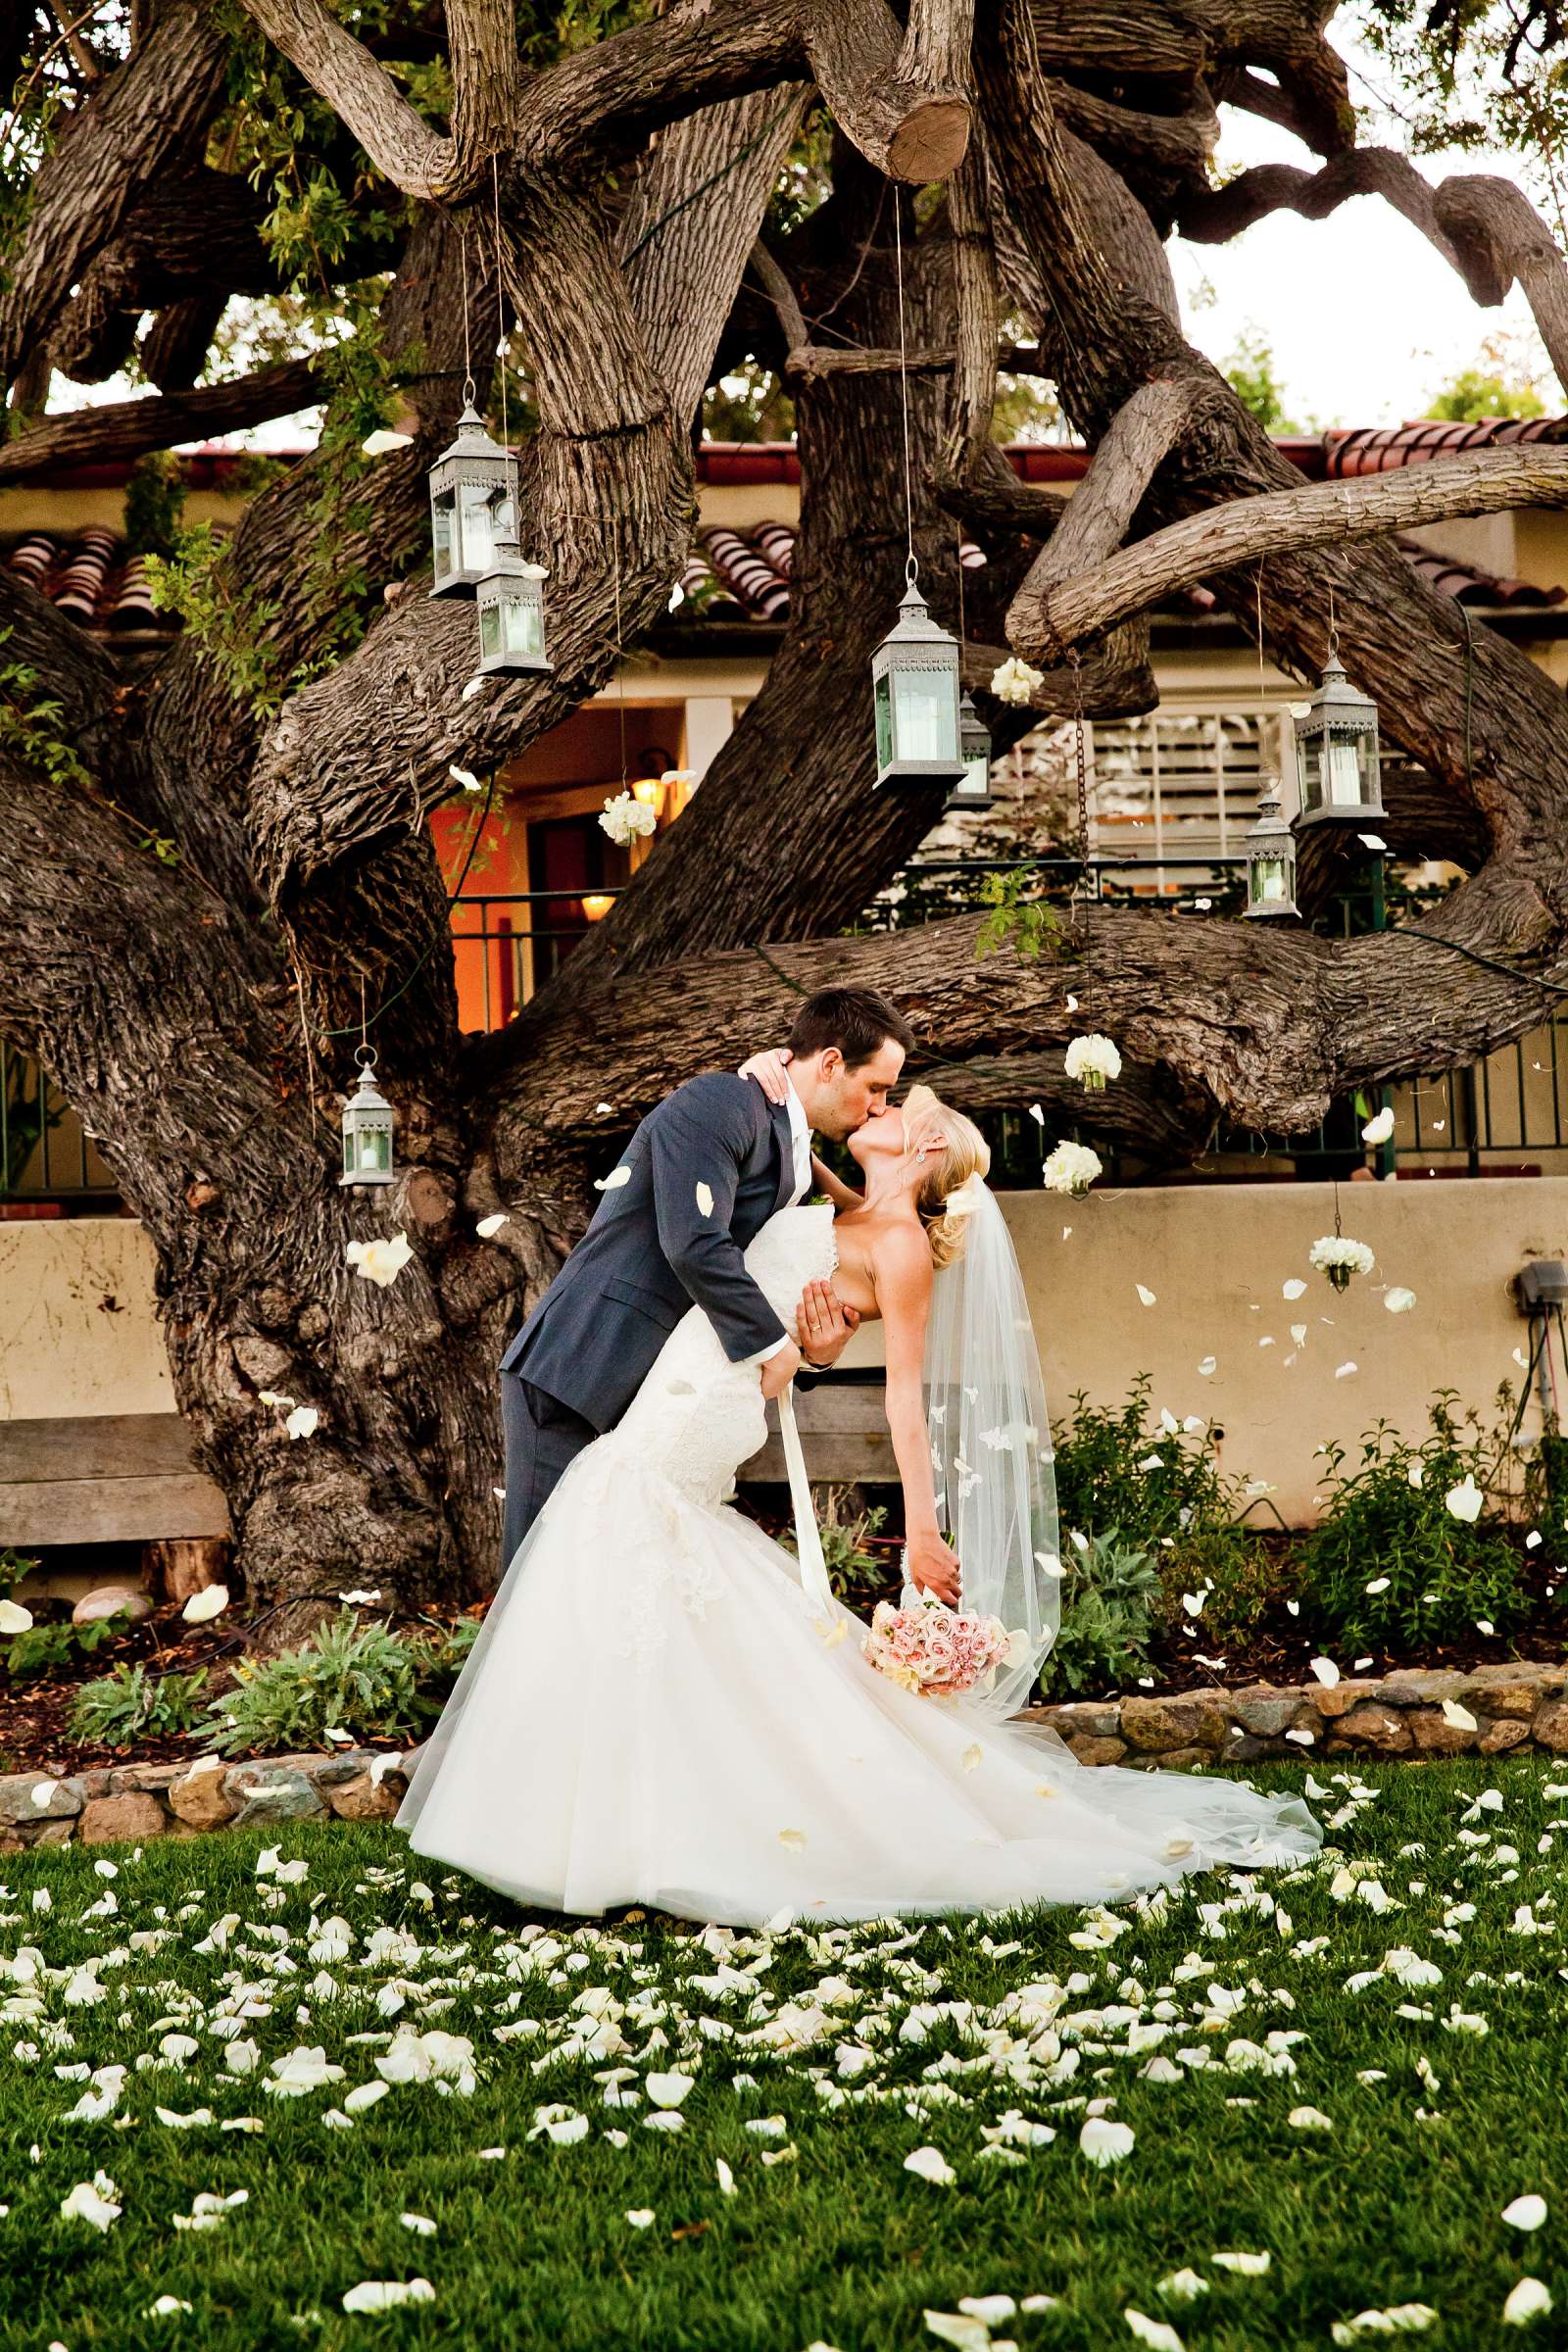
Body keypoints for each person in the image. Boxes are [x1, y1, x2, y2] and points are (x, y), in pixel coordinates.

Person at [395, 1056, 1322, 1928]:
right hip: (702, 1374)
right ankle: (595, 1817)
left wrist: (922, 1528)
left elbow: (904, 1402)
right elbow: (789, 1175)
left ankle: (609, 1829)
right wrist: (769, 1086)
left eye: (897, 1107)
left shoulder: (906, 1250)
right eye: (878, 1093)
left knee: (626, 1524)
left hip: (714, 1391)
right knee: (632, 1542)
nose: (880, 1108)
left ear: (923, 1151)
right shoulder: (835, 1188)